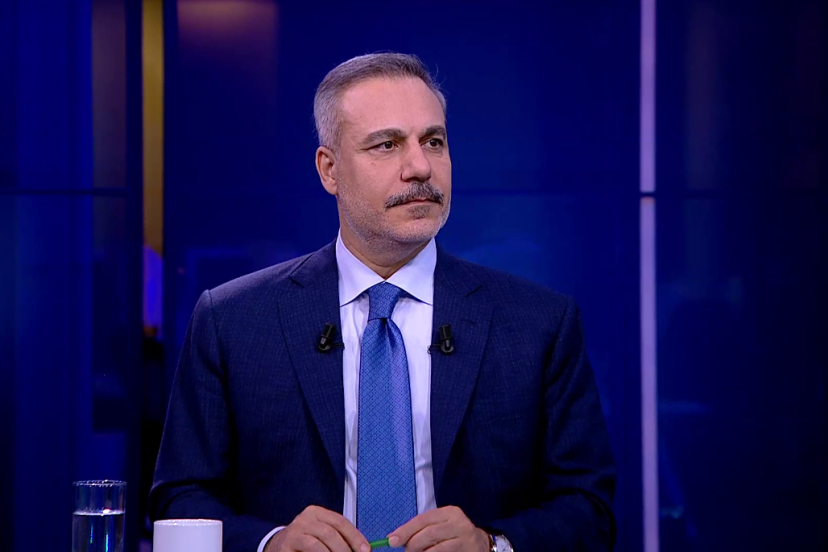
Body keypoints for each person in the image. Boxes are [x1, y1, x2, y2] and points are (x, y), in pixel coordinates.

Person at [150, 52, 616, 552]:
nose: (420, 167)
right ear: (330, 170)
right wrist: (272, 543)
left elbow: (590, 509)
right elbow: (180, 499)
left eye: (433, 142)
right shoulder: (233, 321)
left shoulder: (539, 324)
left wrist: (492, 544)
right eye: (387, 144)